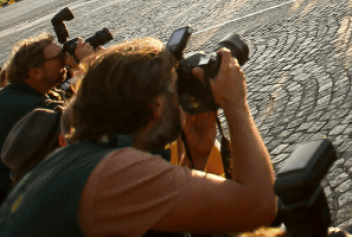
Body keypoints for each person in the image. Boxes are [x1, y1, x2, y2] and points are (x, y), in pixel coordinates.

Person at [0, 37, 279, 236]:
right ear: (155, 105)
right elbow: (258, 206)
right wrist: (236, 106)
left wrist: (199, 156)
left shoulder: (87, 154)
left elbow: (180, 216)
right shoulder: (114, 172)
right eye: (174, 89)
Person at [0, 36, 69, 202]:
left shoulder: (10, 96)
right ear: (36, 73)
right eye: (60, 58)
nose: (65, 62)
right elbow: (85, 120)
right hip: (18, 200)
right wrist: (88, 67)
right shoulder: (33, 107)